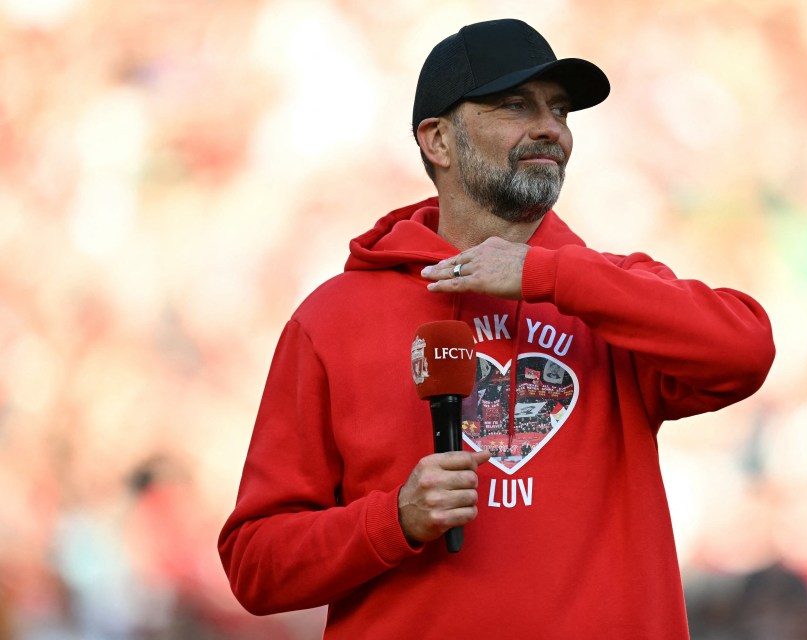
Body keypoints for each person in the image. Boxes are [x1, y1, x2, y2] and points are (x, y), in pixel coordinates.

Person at [218, 18, 776, 639]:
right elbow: (254, 565)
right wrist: (393, 521)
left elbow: (746, 350)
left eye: (560, 111)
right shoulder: (333, 318)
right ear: (438, 141)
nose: (550, 127)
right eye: (516, 105)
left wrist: (547, 276)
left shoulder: (610, 295)